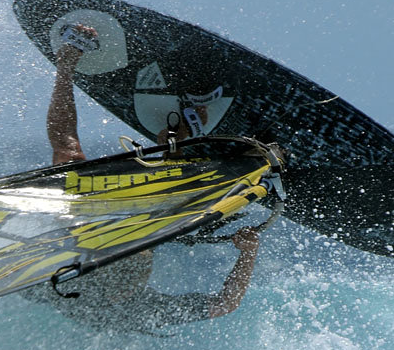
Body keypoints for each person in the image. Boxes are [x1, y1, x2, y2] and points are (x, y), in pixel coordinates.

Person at [34, 23, 261, 331]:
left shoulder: (64, 294)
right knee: (169, 186)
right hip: (134, 226)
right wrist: (248, 254)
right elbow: (224, 304)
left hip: (86, 234)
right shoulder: (141, 312)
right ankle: (184, 131)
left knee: (67, 156)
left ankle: (67, 60)